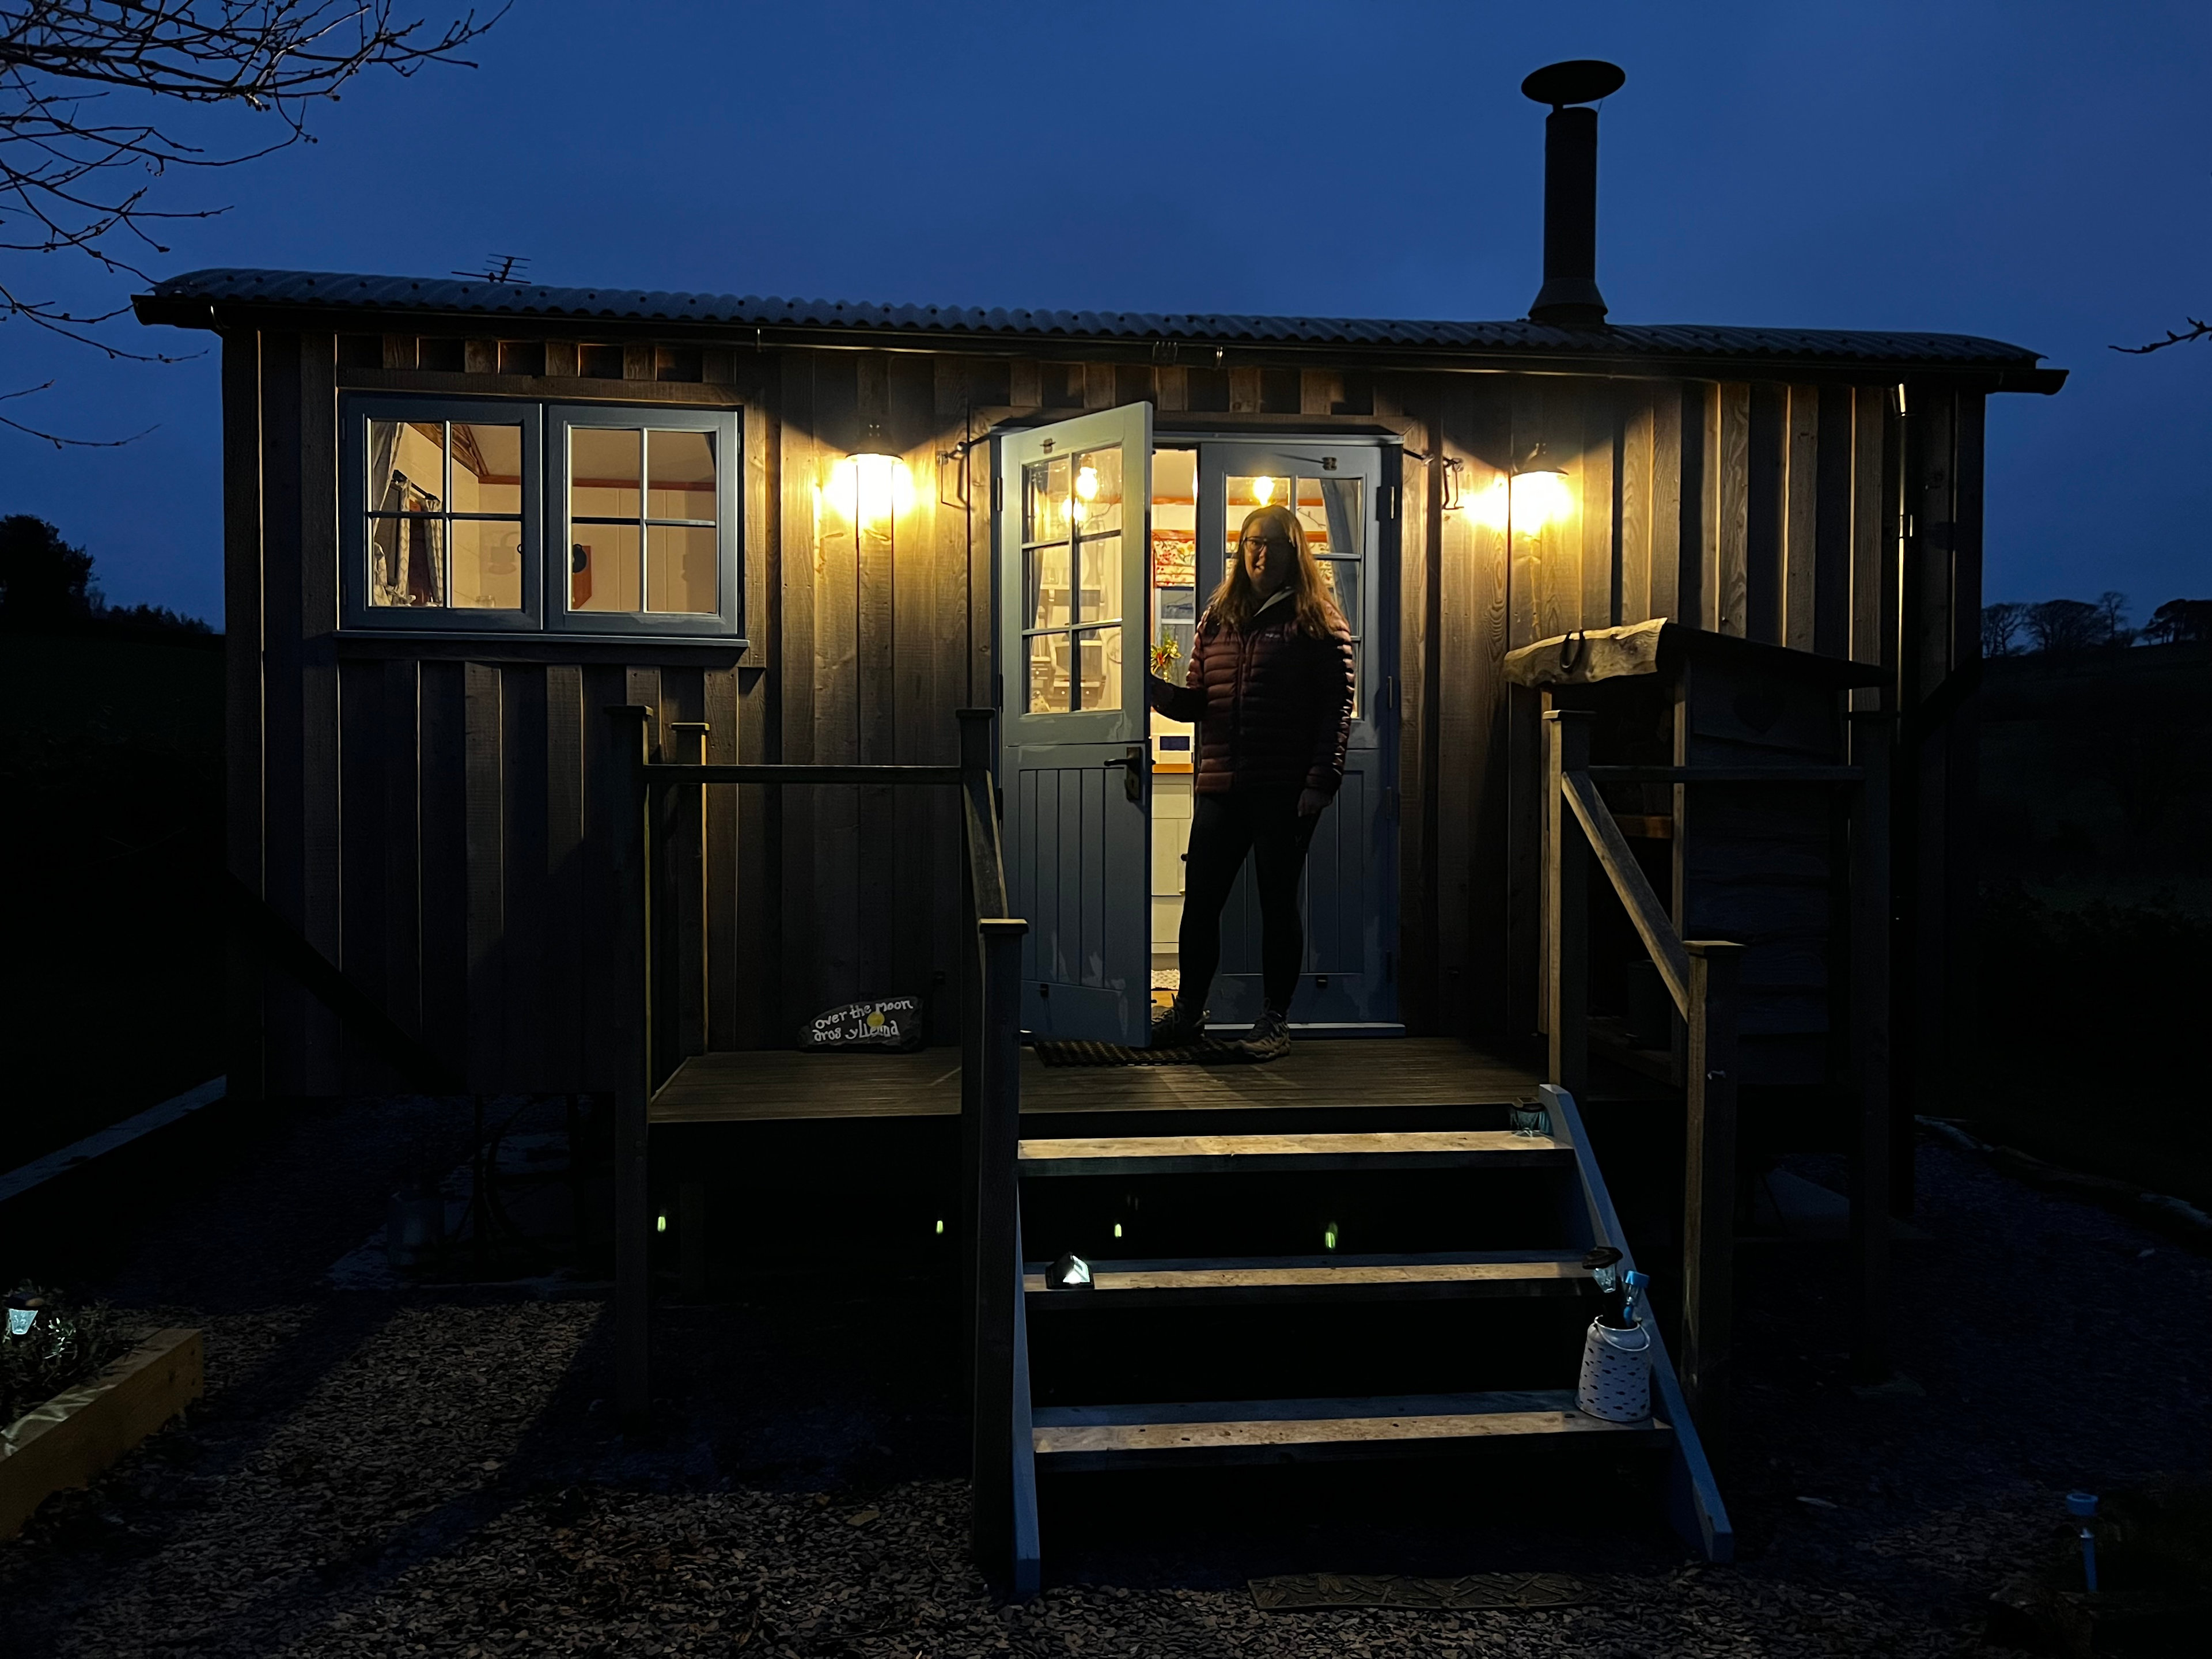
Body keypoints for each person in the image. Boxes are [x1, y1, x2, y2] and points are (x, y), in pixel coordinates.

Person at [1145, 502, 1355, 1060]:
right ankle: (1187, 1013)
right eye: (1253, 544)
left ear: (1295, 552)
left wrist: (1320, 783)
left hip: (1284, 791)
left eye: (1275, 544)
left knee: (1277, 903)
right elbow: (1198, 704)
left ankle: (1273, 1022)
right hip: (1221, 785)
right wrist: (1152, 692)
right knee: (1202, 903)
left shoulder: (1318, 622)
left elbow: (1335, 712)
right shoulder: (1217, 619)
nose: (1262, 554)